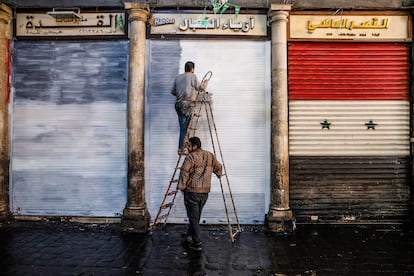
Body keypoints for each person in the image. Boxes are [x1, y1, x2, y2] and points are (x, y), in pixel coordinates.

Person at [177, 136, 222, 251]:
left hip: (192, 192)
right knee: (195, 216)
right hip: (205, 193)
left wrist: (181, 187)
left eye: (189, 145)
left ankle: (197, 243)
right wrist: (218, 174)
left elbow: (184, 172)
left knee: (193, 217)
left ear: (195, 146)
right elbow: (219, 167)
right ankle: (189, 235)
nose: (187, 148)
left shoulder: (191, 157)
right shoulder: (210, 155)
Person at [171, 61, 208, 155]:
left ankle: (181, 148)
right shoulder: (193, 76)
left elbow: (172, 91)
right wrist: (205, 83)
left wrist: (180, 94)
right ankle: (182, 148)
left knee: (182, 128)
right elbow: (201, 88)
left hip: (178, 104)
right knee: (185, 129)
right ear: (192, 69)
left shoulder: (178, 77)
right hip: (187, 105)